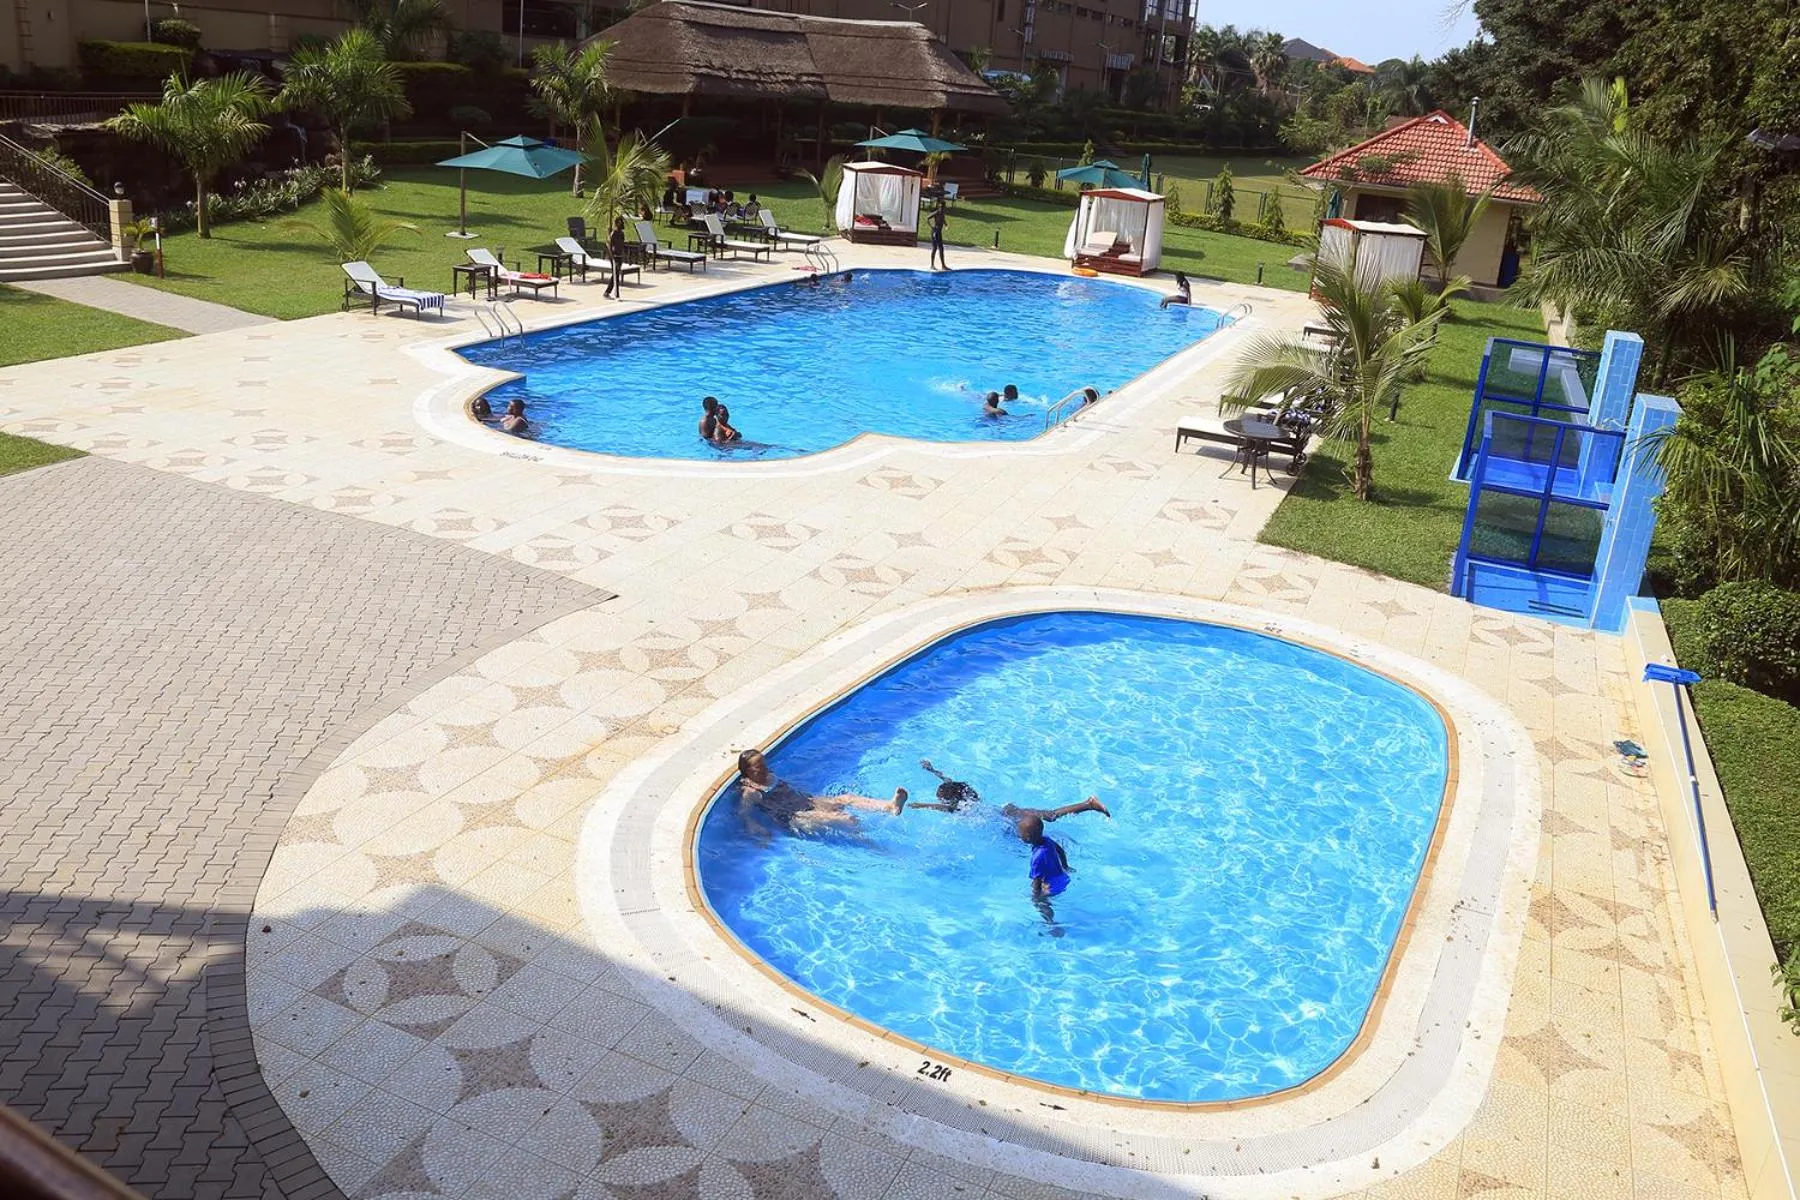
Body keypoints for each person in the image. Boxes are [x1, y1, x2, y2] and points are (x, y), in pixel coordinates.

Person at [736, 748, 906, 839]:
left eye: (764, 764)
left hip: (805, 801)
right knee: (846, 818)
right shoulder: (750, 792)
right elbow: (743, 814)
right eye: (760, 767)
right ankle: (876, 834)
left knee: (846, 798)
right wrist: (754, 827)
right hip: (795, 816)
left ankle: (888, 806)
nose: (765, 768)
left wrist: (816, 800)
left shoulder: (769, 776)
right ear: (748, 771)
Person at [910, 759, 1109, 822]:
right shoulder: (966, 795)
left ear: (952, 800)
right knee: (1050, 816)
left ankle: (1089, 804)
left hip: (1008, 819)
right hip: (1006, 811)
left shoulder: (963, 807)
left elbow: (944, 809)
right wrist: (932, 770)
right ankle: (1088, 804)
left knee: (1050, 816)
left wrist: (920, 805)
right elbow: (950, 781)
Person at [1019, 814, 1073, 925]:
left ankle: (1051, 923)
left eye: (1020, 833)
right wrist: (1065, 866)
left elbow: (1037, 881)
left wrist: (1036, 896)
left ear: (1028, 837)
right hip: (1062, 877)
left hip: (1052, 886)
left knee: (1040, 902)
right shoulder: (1047, 840)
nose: (1019, 835)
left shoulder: (1037, 858)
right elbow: (1060, 851)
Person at [603, 215, 628, 300]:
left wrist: (624, 254)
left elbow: (622, 245)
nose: (621, 224)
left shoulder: (622, 233)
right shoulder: (613, 233)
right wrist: (612, 256)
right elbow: (608, 245)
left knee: (615, 275)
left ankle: (607, 292)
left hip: (619, 256)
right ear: (617, 223)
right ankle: (616, 294)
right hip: (614, 256)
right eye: (620, 222)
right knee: (616, 275)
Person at [927, 199, 949, 271]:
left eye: (944, 207)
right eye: (942, 207)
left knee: (941, 248)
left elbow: (943, 219)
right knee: (935, 248)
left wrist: (946, 225)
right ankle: (932, 265)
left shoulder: (942, 213)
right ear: (940, 207)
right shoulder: (937, 212)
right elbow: (928, 218)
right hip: (935, 232)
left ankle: (943, 266)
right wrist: (931, 227)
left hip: (939, 232)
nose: (943, 209)